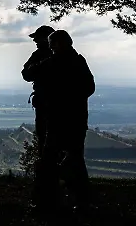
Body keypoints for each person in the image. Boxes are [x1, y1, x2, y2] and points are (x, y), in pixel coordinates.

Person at [28, 30, 95, 213]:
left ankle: (46, 201)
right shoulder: (79, 61)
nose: (49, 47)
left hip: (57, 119)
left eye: (51, 44)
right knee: (76, 159)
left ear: (56, 44)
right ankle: (82, 201)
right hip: (78, 119)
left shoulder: (51, 62)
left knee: (48, 160)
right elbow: (90, 87)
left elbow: (28, 73)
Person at [22, 26, 54, 157]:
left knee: (45, 138)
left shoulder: (40, 55)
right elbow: (26, 74)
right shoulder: (41, 55)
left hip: (46, 103)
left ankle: (46, 171)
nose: (35, 41)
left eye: (37, 38)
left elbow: (26, 74)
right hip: (48, 103)